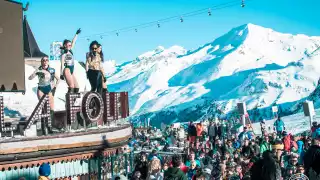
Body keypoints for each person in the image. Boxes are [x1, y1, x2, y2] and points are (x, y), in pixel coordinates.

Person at [29, 56, 59, 130]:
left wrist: (55, 87)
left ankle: (50, 126)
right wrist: (35, 73)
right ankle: (44, 127)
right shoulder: (39, 70)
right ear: (41, 62)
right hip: (41, 89)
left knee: (51, 108)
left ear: (48, 62)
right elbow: (29, 78)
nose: (45, 61)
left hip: (49, 89)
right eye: (43, 60)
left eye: (46, 60)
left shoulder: (52, 70)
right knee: (44, 107)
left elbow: (58, 79)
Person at [60, 28, 81, 93]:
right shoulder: (64, 53)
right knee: (71, 86)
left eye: (70, 45)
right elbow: (62, 64)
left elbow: (73, 42)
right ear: (65, 45)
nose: (70, 46)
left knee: (77, 88)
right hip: (67, 69)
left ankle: (72, 102)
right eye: (68, 45)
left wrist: (76, 34)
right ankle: (69, 102)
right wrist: (61, 74)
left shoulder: (70, 50)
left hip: (72, 70)